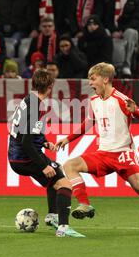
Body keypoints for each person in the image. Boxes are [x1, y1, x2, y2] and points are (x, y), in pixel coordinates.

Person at [56, 62, 139, 235]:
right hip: (103, 154)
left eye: (93, 79)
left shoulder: (121, 99)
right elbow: (89, 122)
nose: (90, 83)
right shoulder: (93, 101)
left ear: (105, 79)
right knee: (70, 165)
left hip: (123, 154)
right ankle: (85, 204)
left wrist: (135, 110)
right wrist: (68, 139)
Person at [8, 68, 85, 237]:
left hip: (16, 156)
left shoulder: (27, 100)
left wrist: (43, 141)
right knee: (65, 184)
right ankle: (63, 228)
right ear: (50, 86)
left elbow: (23, 133)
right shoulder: (36, 107)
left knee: (54, 178)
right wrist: (43, 165)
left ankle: (52, 216)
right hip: (24, 157)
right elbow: (25, 141)